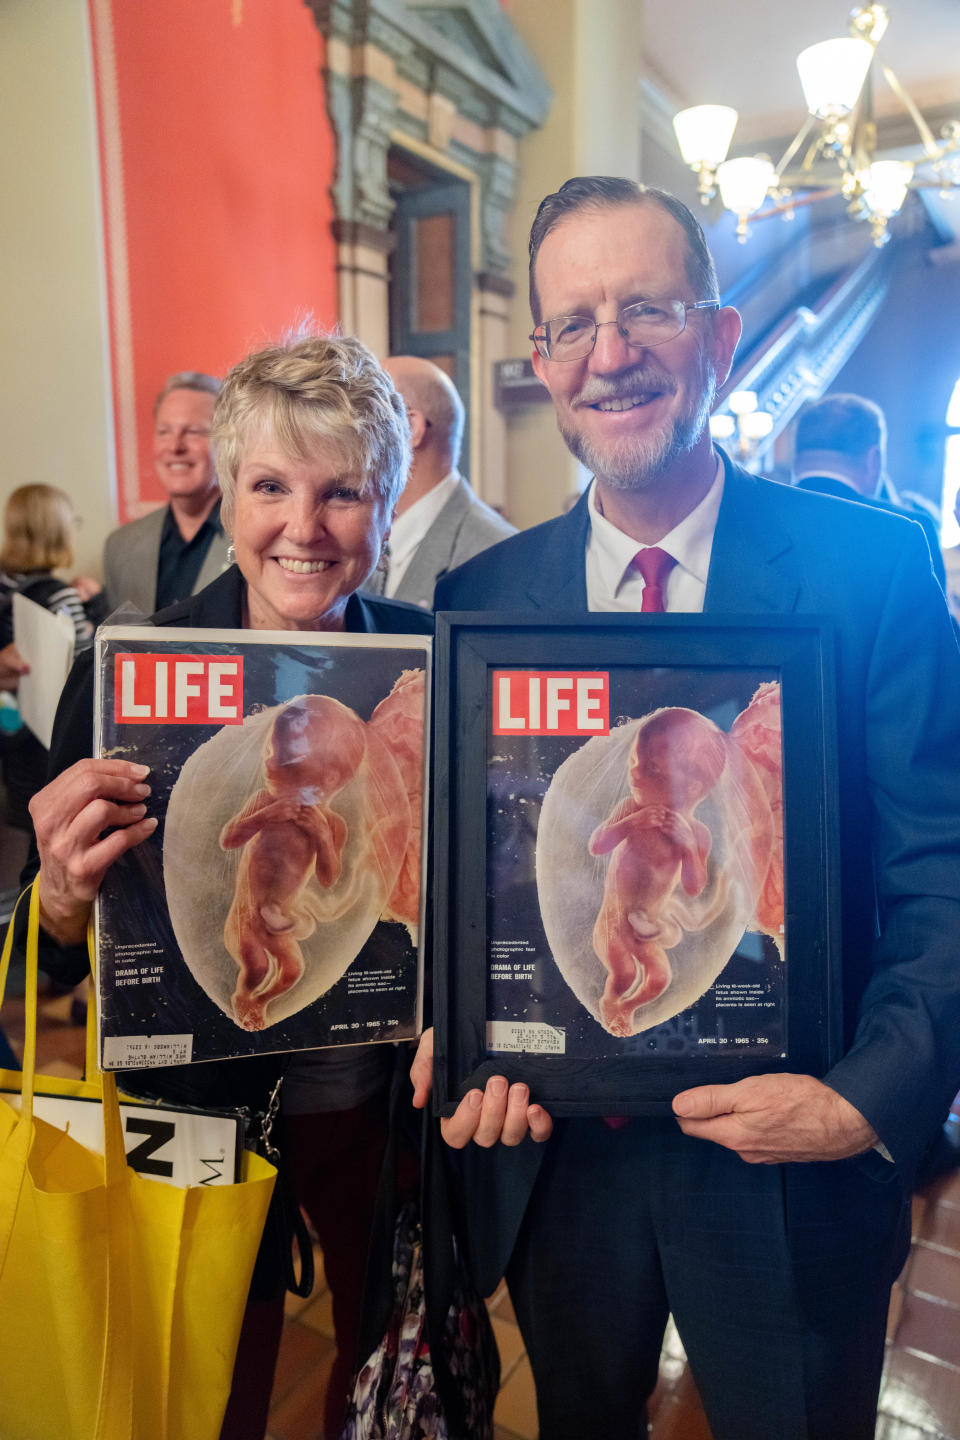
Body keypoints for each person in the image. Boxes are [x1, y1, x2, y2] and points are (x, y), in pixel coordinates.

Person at [411, 177, 960, 1440]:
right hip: (559, 1156)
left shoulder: (869, 568)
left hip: (790, 1158)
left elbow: (940, 872)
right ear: (542, 361)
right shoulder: (481, 598)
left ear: (718, 337)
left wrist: (865, 1099)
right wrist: (464, 1036)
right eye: (575, 324)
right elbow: (465, 872)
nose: (612, 355)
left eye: (647, 310)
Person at [18, 335, 432, 1440]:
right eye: (270, 487)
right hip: (195, 1106)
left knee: (386, 1353)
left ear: (387, 508)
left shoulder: (429, 664)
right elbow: (52, 933)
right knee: (206, 1371)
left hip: (378, 1107)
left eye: (343, 492)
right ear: (230, 485)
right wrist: (60, 893)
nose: (305, 527)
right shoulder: (131, 659)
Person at [365, 355, 514, 607]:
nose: (348, 432)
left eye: (364, 413)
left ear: (409, 428)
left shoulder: (499, 558)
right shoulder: (360, 534)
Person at [0, 484, 109, 829]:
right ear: (60, 531)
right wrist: (97, 607)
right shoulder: (59, 595)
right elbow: (83, 666)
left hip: (12, 729)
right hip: (46, 740)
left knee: (20, 812)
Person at [102, 371, 232, 613]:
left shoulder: (253, 541)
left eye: (193, 431)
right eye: (164, 432)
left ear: (227, 442)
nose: (175, 446)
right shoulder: (119, 547)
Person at [792, 391, 947, 589]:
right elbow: (932, 620)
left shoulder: (757, 516)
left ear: (796, 459)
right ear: (874, 460)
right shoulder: (909, 529)